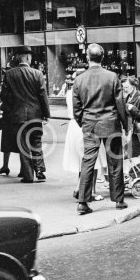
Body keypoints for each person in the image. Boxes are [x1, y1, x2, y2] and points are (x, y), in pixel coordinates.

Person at [73, 43, 128, 215]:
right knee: (115, 161)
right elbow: (120, 105)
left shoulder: (79, 79)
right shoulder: (112, 77)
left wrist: (84, 122)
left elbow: (77, 108)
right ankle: (119, 200)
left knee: (88, 162)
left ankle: (82, 202)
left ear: (87, 58)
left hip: (90, 124)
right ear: (102, 58)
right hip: (111, 124)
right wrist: (126, 125)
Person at [0, 45, 50, 183]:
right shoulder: (37, 74)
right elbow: (42, 95)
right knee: (36, 142)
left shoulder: (10, 74)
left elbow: (4, 95)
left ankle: (28, 176)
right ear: (28, 57)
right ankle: (39, 170)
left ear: (18, 57)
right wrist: (46, 114)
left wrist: (12, 106)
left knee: (24, 145)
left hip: (18, 116)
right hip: (35, 115)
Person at [62, 65, 106, 201]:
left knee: (83, 161)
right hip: (86, 125)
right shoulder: (88, 91)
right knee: (93, 159)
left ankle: (79, 186)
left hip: (73, 126)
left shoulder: (70, 93)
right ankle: (90, 191)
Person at [122, 76, 140, 158]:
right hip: (129, 130)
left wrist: (133, 109)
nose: (125, 89)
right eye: (123, 87)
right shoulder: (127, 97)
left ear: (134, 86)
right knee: (128, 155)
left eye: (127, 87)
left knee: (135, 156)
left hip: (138, 132)